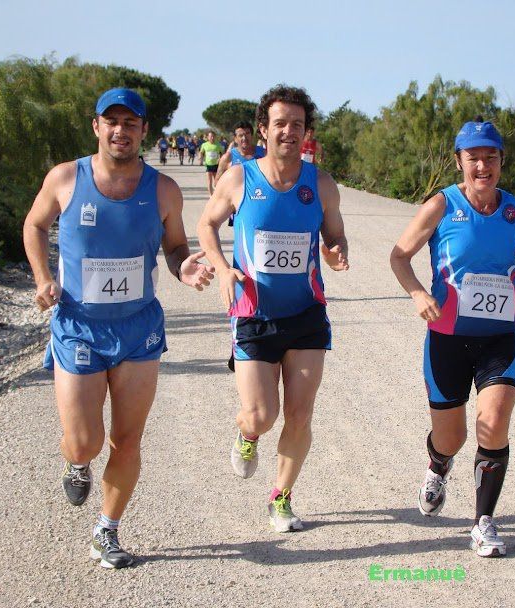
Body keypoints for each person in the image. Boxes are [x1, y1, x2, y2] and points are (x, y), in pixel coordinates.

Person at [22, 88, 214, 569]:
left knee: (128, 439)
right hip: (79, 327)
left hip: (138, 330)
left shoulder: (164, 189)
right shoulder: (66, 178)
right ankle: (77, 460)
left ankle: (106, 530)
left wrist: (183, 268)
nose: (121, 130)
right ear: (96, 127)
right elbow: (34, 225)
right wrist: (44, 278)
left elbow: (173, 248)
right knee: (85, 440)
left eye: (131, 123)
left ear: (144, 131)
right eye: (112, 121)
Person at [389, 119, 515, 557]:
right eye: (473, 158)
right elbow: (399, 256)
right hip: (447, 339)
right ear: (459, 161)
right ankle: (438, 465)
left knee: (492, 424)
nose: (483, 166)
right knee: (452, 437)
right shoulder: (441, 205)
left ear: (501, 161)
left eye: (491, 157)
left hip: (501, 337)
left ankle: (483, 522)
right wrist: (419, 292)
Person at [197, 85, 349, 534]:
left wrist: (337, 251)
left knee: (300, 414)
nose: (288, 132)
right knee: (262, 415)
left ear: (307, 133)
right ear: (263, 129)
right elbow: (205, 224)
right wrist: (223, 269)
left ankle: (281, 497)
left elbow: (335, 235)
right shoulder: (240, 178)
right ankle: (246, 435)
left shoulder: (320, 184)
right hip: (253, 314)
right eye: (279, 123)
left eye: (297, 125)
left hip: (305, 314)